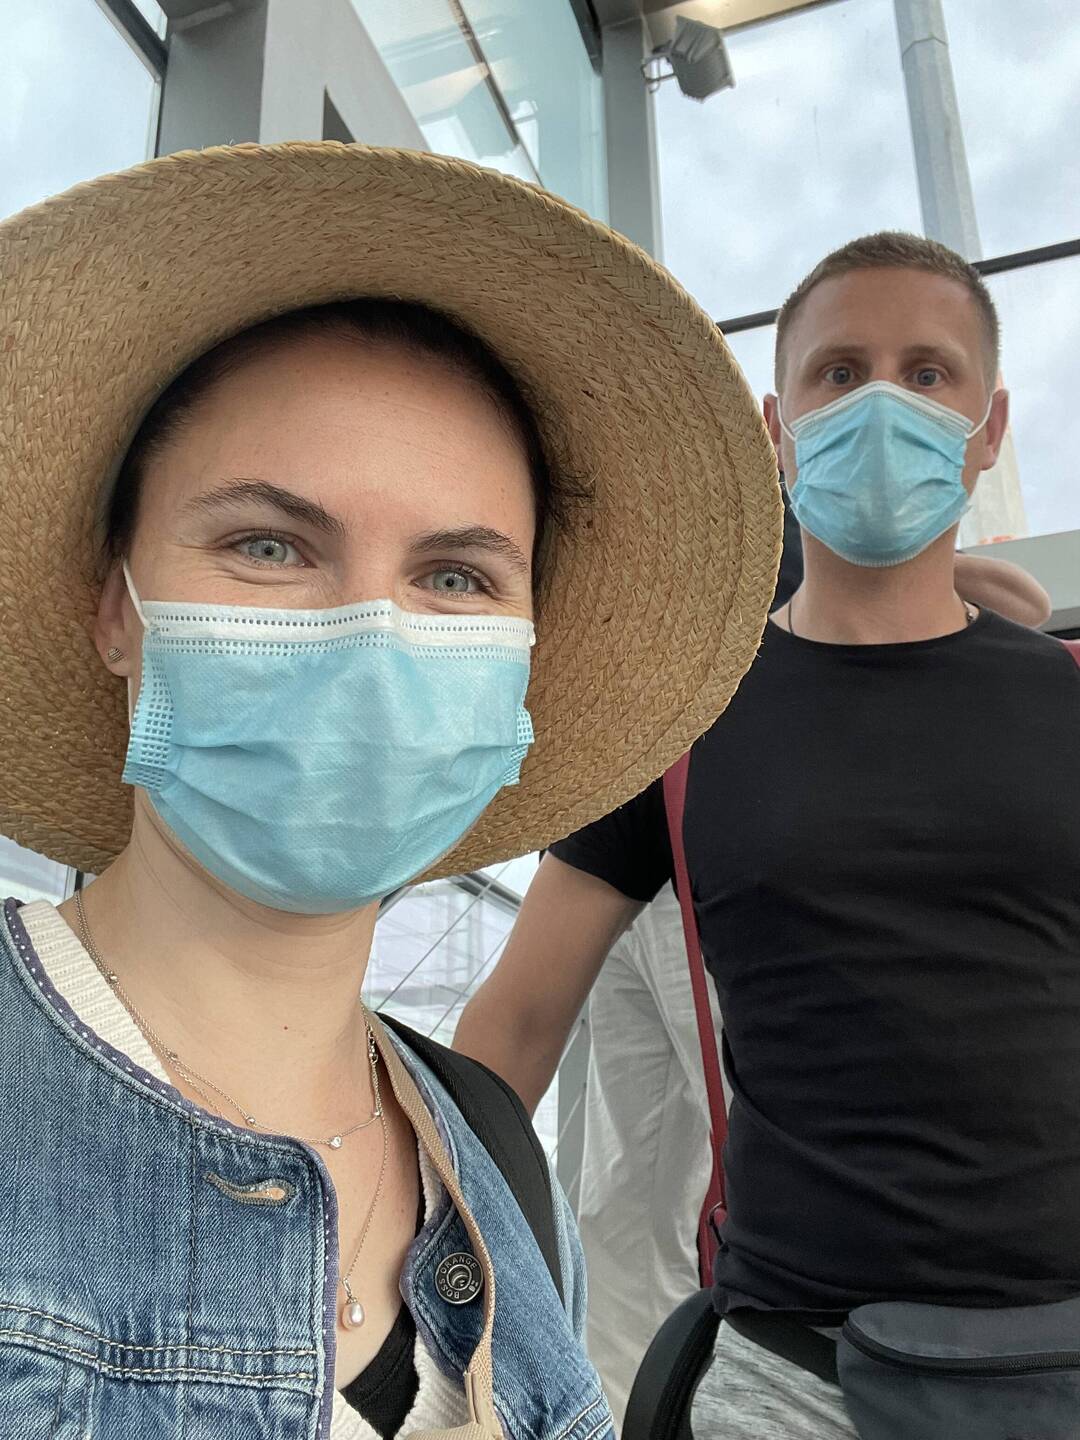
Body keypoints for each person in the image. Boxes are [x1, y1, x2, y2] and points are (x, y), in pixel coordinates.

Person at [0, 142, 783, 1437]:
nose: (372, 639)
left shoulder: (501, 1169)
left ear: (521, 664)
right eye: (268, 545)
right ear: (116, 608)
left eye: (456, 578)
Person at [457, 231, 1080, 1438]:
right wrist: (406, 1259)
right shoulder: (685, 723)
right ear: (778, 426)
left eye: (928, 373)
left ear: (989, 427)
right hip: (794, 1371)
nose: (883, 404)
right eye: (840, 373)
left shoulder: (1064, 697)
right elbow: (519, 1018)